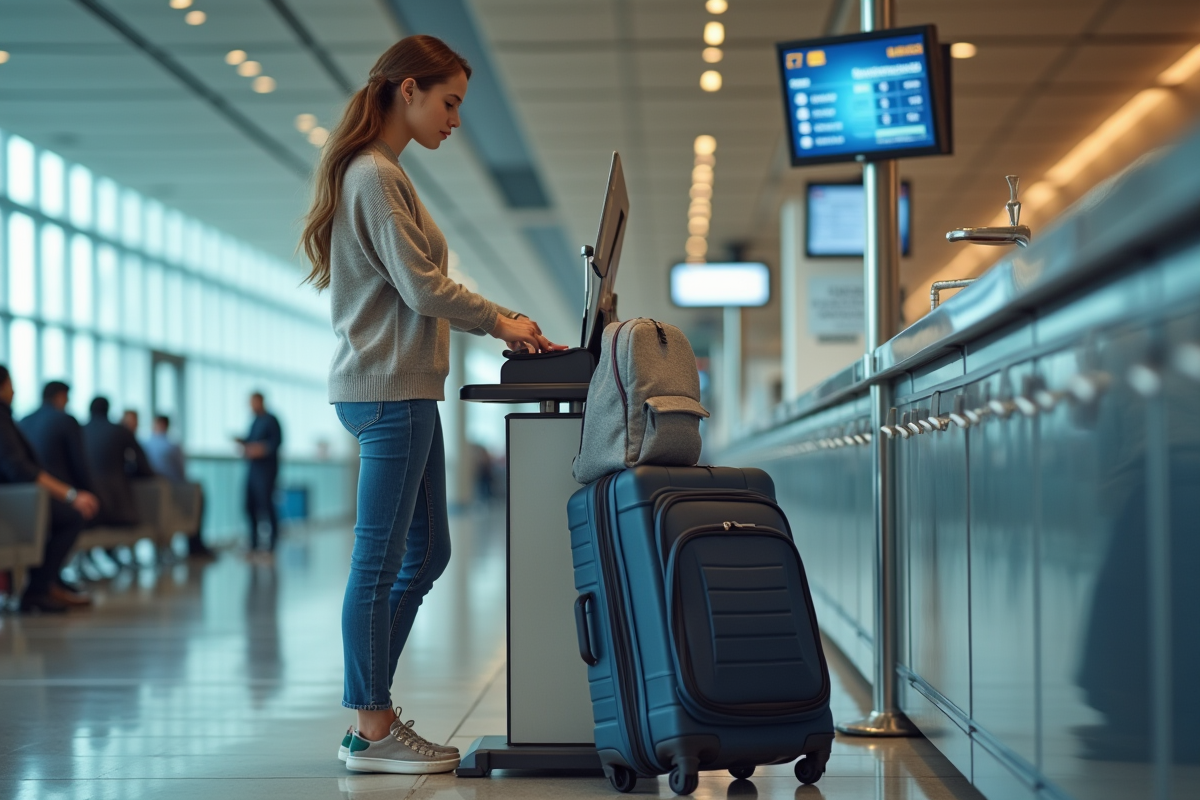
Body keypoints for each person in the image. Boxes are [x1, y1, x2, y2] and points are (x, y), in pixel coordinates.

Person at [299, 34, 565, 774]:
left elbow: (414, 285)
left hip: (404, 389)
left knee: (427, 553)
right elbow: (422, 287)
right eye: (449, 103)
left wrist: (495, 320)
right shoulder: (374, 176)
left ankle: (370, 713)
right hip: (388, 393)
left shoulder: (383, 175)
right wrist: (502, 318)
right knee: (381, 560)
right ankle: (371, 728)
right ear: (406, 90)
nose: (455, 119)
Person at [10, 377, 100, 611]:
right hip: (41, 495)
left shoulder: (24, 419)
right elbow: (77, 463)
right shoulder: (65, 420)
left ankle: (50, 581)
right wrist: (81, 493)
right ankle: (42, 586)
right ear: (61, 396)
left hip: (24, 498)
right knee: (73, 516)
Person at [145, 414, 213, 558]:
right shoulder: (172, 446)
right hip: (171, 491)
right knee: (197, 496)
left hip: (149, 493)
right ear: (166, 426)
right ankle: (195, 545)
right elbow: (181, 473)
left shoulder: (145, 444)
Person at [83, 397, 155, 526]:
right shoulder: (120, 431)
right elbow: (143, 465)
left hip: (88, 503)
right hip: (117, 504)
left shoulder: (80, 430)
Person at [236, 392, 282, 554]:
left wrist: (259, 449)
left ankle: (272, 542)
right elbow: (250, 442)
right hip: (253, 469)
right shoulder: (254, 421)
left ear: (261, 401)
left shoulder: (271, 420)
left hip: (266, 471)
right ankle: (254, 541)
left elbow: (275, 443)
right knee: (249, 504)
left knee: (266, 504)